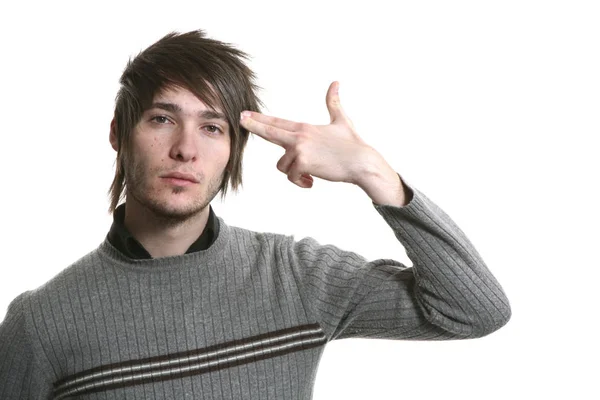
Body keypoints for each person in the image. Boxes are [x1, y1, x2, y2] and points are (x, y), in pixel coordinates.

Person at [0, 30, 511, 399]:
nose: (185, 149)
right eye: (162, 119)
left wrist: (374, 175)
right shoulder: (40, 324)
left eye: (212, 128)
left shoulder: (294, 276)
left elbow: (474, 311)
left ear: (234, 150)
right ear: (118, 133)